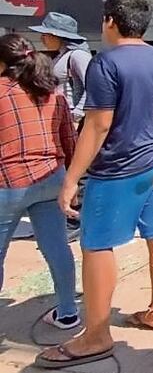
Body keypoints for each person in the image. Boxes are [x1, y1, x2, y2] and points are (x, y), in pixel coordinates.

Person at [37, 0, 153, 370]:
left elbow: (99, 124)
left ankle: (96, 334)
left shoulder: (108, 64)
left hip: (117, 169)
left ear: (110, 22)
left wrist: (72, 178)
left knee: (97, 245)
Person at [0, 34, 80, 331]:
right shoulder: (53, 93)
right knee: (57, 246)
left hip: (8, 183)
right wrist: (72, 181)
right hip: (51, 178)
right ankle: (69, 312)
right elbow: (68, 140)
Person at [30, 12, 92, 238]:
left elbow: (92, 87)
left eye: (47, 33)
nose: (43, 38)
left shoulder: (77, 57)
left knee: (78, 169)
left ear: (59, 35)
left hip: (76, 123)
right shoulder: (65, 56)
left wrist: (76, 115)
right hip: (66, 122)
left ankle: (76, 221)